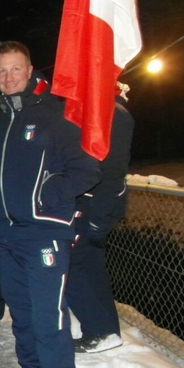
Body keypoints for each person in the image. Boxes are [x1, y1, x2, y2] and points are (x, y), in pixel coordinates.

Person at [0, 41, 100, 368]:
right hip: (8, 235)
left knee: (50, 323)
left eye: (16, 69)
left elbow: (88, 168)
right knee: (23, 317)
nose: (9, 77)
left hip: (44, 234)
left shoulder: (56, 113)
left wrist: (46, 195)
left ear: (30, 70)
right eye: (2, 71)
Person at [67, 84, 134, 353]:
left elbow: (113, 170)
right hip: (93, 204)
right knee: (90, 266)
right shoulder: (104, 112)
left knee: (73, 264)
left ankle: (100, 329)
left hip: (97, 206)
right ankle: (105, 330)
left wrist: (99, 215)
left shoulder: (113, 115)